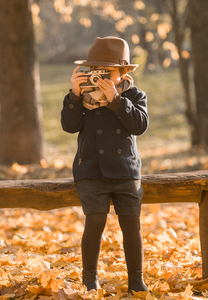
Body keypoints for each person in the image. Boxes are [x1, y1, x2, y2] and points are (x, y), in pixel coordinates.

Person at [61, 36, 149, 294]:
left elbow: (139, 125)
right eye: (94, 71)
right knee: (95, 220)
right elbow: (69, 126)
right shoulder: (83, 97)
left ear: (123, 73)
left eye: (107, 72)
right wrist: (75, 95)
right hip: (91, 170)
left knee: (131, 224)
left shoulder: (134, 95)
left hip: (126, 170)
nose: (99, 77)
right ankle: (90, 279)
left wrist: (116, 101)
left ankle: (136, 279)